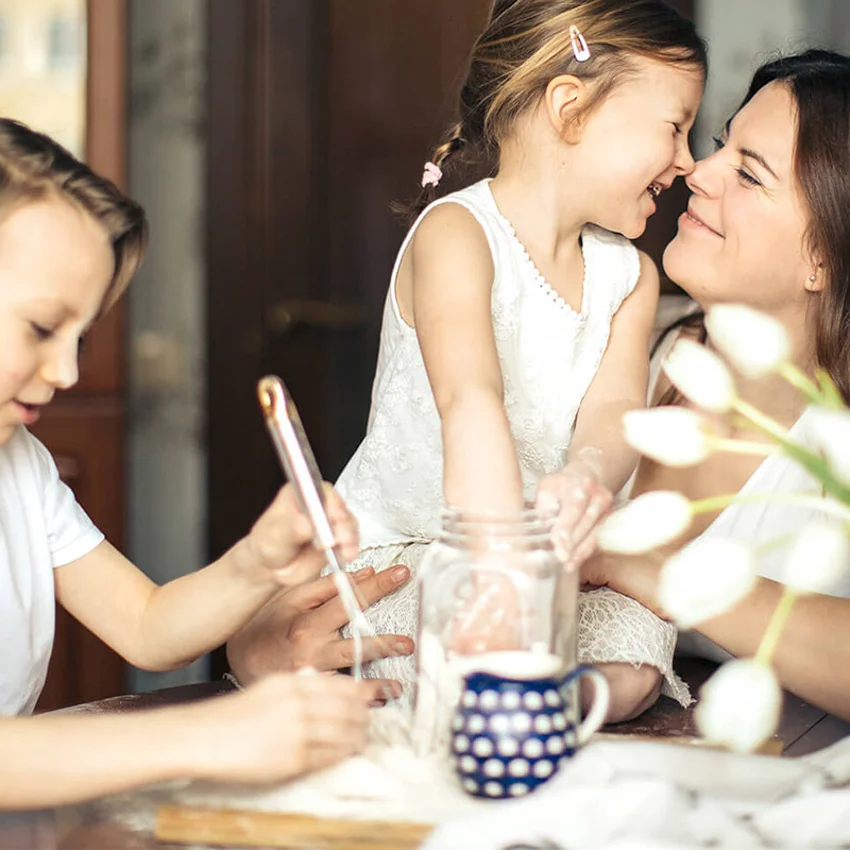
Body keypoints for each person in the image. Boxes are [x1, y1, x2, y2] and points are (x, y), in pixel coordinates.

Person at [231, 0, 707, 722]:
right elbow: (471, 402)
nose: (688, 161)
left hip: (543, 565)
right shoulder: (456, 234)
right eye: (675, 127)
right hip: (427, 544)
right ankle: (499, 691)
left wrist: (586, 475)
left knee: (639, 647)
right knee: (440, 629)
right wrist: (498, 569)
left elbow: (613, 411)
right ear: (570, 109)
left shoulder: (630, 278)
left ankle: (539, 700)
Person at [0, 118, 376, 810]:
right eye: (42, 328)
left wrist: (257, 562)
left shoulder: (20, 466)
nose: (66, 370)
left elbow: (145, 626)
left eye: (81, 337)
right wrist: (206, 735)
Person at [582, 49, 850, 722]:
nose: (697, 172)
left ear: (822, 256)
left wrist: (669, 575)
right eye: (721, 145)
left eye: (749, 174)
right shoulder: (616, 341)